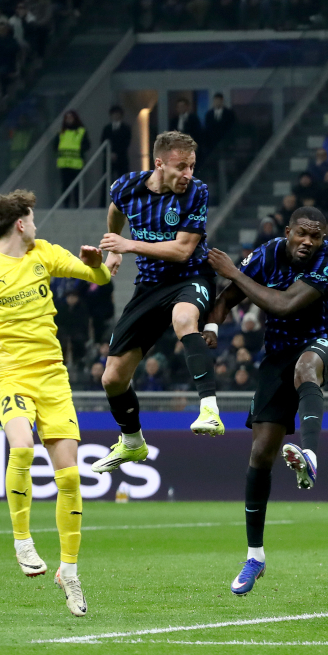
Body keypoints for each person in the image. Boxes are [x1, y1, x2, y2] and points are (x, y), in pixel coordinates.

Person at [0, 189, 112, 617]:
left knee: (70, 479)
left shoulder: (44, 253)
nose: (37, 225)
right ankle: (22, 540)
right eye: (33, 218)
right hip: (11, 374)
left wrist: (97, 265)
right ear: (20, 223)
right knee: (21, 447)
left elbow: (98, 279)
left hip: (53, 376)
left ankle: (70, 572)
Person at [203, 206, 328, 595]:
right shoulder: (266, 254)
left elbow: (283, 304)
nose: (308, 242)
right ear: (288, 232)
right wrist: (213, 324)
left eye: (315, 236)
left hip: (322, 342)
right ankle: (255, 556)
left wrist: (234, 272)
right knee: (261, 453)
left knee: (306, 369)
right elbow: (227, 297)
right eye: (302, 234)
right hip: (276, 355)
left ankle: (310, 454)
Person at [92, 131, 222, 476]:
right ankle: (132, 442)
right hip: (149, 286)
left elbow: (182, 251)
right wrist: (112, 251)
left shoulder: (197, 192)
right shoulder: (126, 187)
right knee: (113, 378)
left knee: (183, 318)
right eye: (182, 167)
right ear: (159, 163)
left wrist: (128, 246)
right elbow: (115, 212)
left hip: (190, 277)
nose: (188, 175)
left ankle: (209, 408)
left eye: (192, 166)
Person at [56, 110, 90, 207]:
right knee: (65, 186)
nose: (69, 120)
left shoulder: (81, 131)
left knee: (77, 187)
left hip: (76, 163)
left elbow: (87, 145)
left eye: (71, 118)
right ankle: (66, 205)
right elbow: (55, 146)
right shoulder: (61, 132)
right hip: (64, 163)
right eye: (67, 118)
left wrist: (80, 149)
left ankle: (77, 205)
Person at [100, 105, 132, 177]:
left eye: (117, 114)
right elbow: (103, 141)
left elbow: (126, 143)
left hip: (122, 158)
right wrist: (109, 153)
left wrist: (117, 153)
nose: (115, 116)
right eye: (114, 114)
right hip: (108, 157)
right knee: (107, 178)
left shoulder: (126, 128)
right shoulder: (107, 128)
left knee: (122, 178)